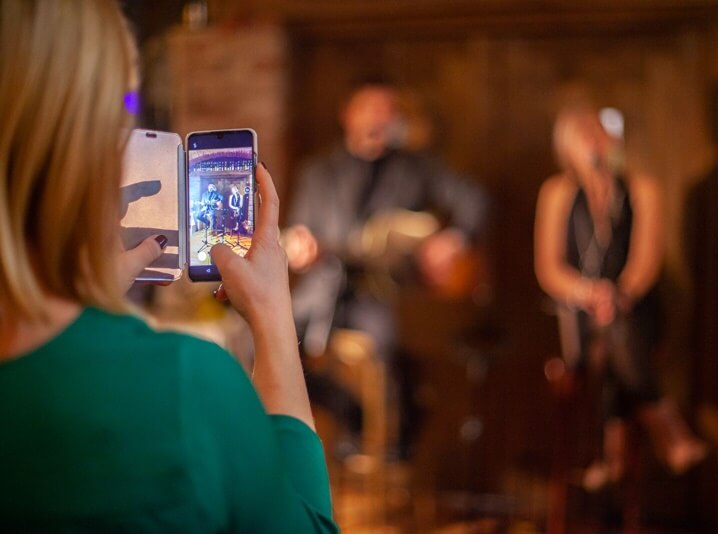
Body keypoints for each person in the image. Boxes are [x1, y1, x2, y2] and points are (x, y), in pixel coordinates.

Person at [0, 1, 337, 531]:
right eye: (121, 104)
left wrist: (80, 286)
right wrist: (272, 312)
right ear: (78, 138)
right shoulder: (185, 386)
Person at [283, 82, 487, 458]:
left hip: (381, 292)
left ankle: (387, 449)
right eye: (370, 108)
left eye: (387, 109)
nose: (379, 117)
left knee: (386, 351)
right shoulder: (318, 172)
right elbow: (299, 232)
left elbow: (473, 198)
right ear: (348, 114)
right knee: (269, 343)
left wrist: (453, 240)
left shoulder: (416, 167)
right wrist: (301, 249)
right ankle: (347, 418)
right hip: (323, 287)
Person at [534, 103, 706, 490]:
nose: (594, 142)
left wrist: (618, 294)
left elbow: (645, 261)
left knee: (615, 328)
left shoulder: (642, 189)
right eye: (583, 135)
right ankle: (666, 429)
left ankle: (608, 453)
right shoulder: (557, 194)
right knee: (608, 333)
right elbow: (548, 268)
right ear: (566, 146)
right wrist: (589, 292)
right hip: (580, 310)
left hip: (635, 310)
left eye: (599, 132)